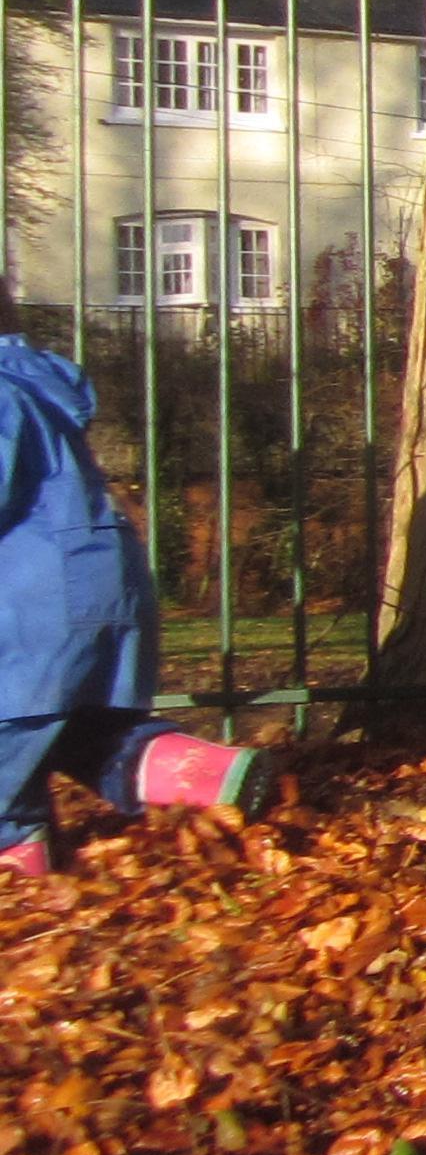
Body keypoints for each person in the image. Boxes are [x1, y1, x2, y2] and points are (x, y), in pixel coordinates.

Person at [0, 336, 264, 880]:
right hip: (96, 579)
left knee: (14, 724)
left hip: (35, 602)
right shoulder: (29, 383)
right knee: (75, 726)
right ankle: (197, 769)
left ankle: (16, 871)